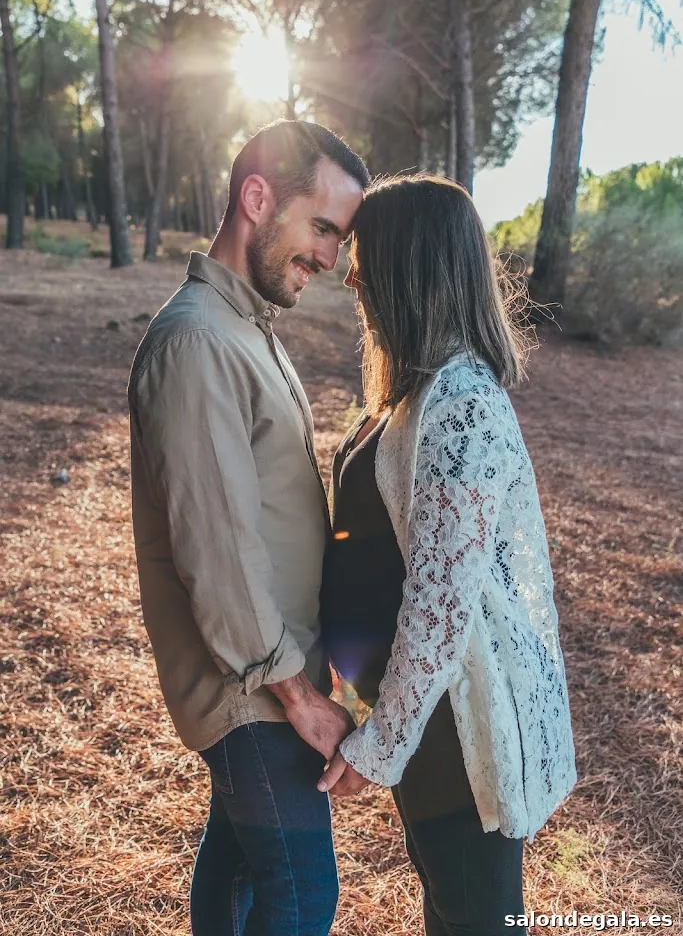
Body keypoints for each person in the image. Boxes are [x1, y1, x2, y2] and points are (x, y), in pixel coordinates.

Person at [127, 119, 370, 936]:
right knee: (302, 900)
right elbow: (217, 545)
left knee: (235, 873)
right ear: (257, 198)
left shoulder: (245, 330)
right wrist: (296, 695)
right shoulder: (197, 340)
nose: (331, 259)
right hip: (252, 691)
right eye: (322, 229)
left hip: (271, 675)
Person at [318, 174, 576, 936]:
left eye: (365, 254)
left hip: (454, 735)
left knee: (474, 920)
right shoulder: (410, 393)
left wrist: (381, 745)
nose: (350, 272)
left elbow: (441, 605)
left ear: (412, 263)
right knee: (452, 907)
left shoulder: (460, 404)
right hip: (423, 723)